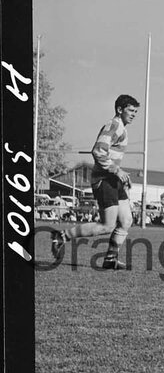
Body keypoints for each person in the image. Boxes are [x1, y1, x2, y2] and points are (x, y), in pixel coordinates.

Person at [51, 94, 139, 269]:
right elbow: (98, 150)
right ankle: (62, 236)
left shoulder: (121, 127)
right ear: (119, 110)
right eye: (130, 110)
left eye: (136, 111)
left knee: (126, 220)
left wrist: (121, 175)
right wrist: (116, 169)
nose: (133, 114)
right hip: (104, 180)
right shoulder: (114, 125)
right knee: (107, 226)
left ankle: (110, 259)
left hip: (113, 180)